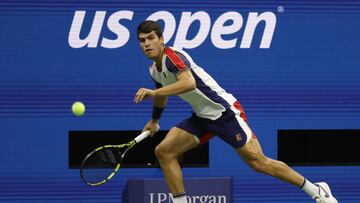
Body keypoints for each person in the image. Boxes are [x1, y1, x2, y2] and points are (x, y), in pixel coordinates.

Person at [133, 20, 338, 203]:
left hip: (226, 113)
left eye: (151, 38)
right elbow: (162, 94)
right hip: (202, 118)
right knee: (164, 151)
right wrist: (154, 120)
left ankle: (317, 190)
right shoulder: (153, 69)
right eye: (142, 41)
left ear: (161, 39)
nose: (147, 44)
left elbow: (188, 82)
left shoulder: (173, 56)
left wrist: (152, 91)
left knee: (259, 163)